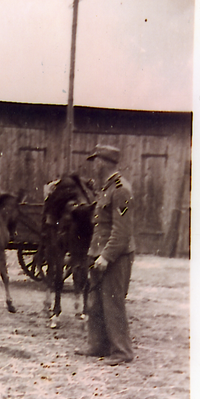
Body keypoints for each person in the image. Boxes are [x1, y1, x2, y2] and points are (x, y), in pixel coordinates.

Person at [75, 144, 135, 366]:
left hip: (115, 257)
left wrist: (106, 256)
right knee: (95, 302)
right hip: (98, 253)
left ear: (103, 163)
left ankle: (122, 351)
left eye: (95, 161)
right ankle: (97, 345)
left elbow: (122, 231)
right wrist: (94, 254)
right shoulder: (105, 188)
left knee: (113, 302)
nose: (93, 166)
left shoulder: (120, 190)